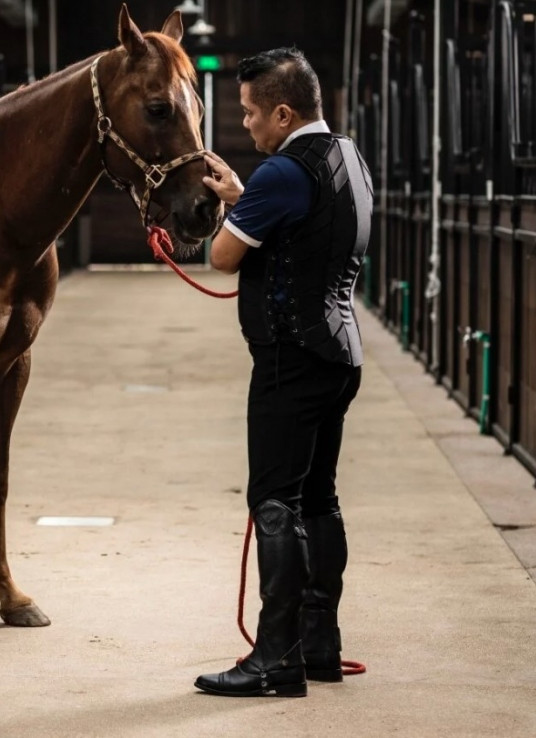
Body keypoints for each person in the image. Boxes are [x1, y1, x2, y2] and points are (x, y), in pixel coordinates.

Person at [194, 47, 372, 697]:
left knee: (274, 504)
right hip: (339, 354)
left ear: (284, 112)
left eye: (249, 114)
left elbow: (222, 257)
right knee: (318, 498)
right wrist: (245, 197)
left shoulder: (279, 173)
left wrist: (232, 211)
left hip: (289, 362)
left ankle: (275, 659)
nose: (245, 127)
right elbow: (305, 229)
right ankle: (319, 645)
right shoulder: (345, 156)